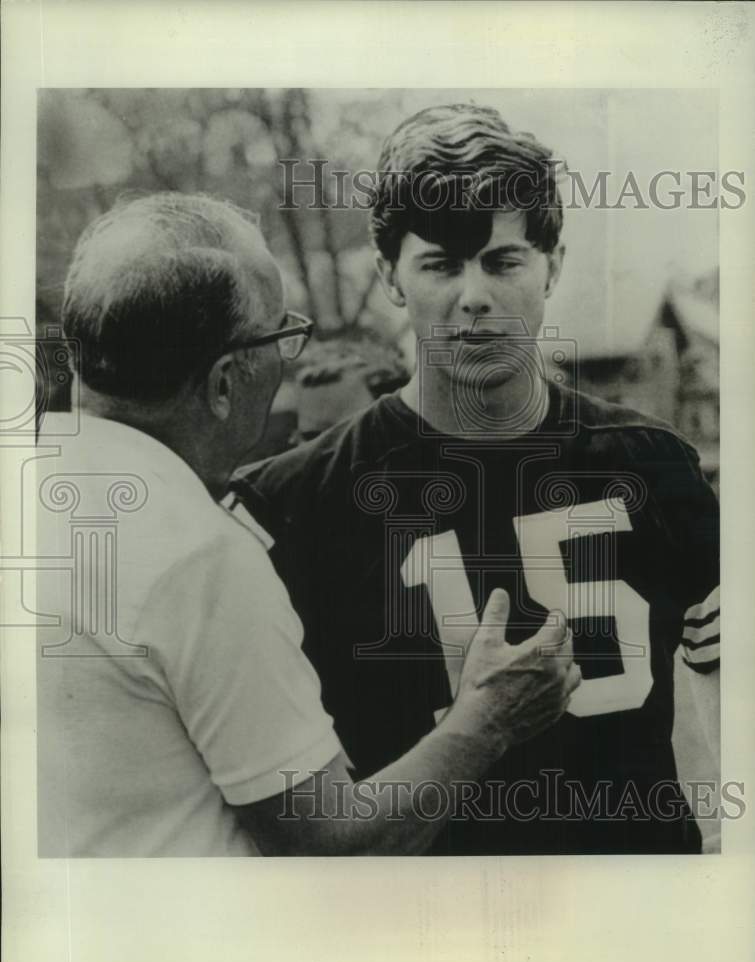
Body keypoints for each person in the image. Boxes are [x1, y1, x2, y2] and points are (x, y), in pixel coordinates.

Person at [35, 191, 580, 857]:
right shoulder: (199, 554)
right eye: (279, 337)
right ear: (225, 382)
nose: (287, 362)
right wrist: (488, 719)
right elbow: (330, 842)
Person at [240, 104, 720, 854]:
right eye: (439, 263)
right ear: (390, 277)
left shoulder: (652, 464)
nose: (473, 296)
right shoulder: (294, 503)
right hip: (419, 933)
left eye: (502, 260)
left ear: (551, 265)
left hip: (630, 921)